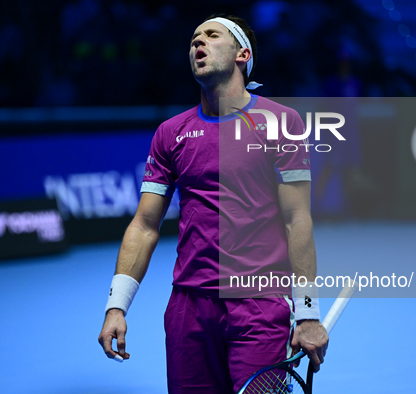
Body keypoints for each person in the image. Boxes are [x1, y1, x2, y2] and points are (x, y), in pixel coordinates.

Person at [98, 14, 328, 393]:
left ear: (243, 54)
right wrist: (117, 306)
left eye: (211, 35)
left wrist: (307, 313)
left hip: (259, 305)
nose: (197, 43)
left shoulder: (280, 123)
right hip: (188, 309)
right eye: (193, 39)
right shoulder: (170, 134)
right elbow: (144, 225)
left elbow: (297, 220)